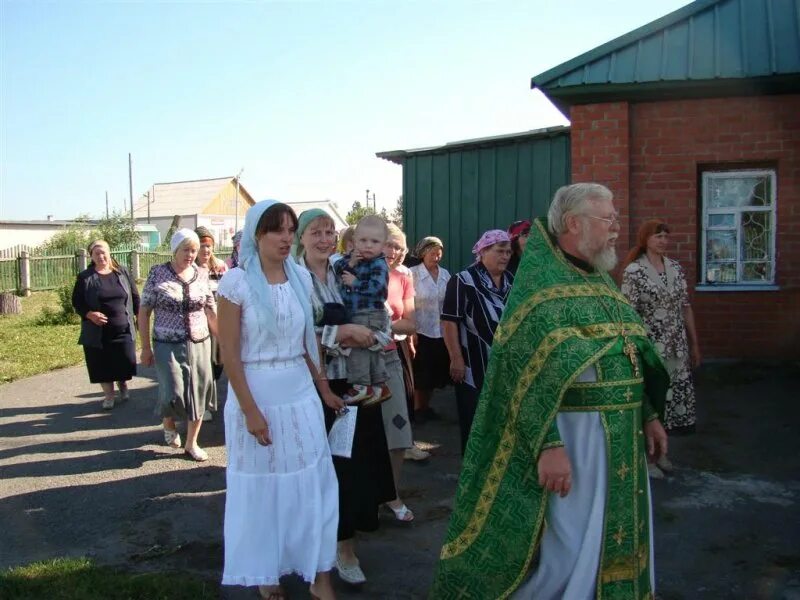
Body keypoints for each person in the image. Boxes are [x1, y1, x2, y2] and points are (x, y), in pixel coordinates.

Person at [430, 183, 670, 599]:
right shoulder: (540, 291)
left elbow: (627, 352)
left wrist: (648, 414)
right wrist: (547, 444)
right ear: (574, 223)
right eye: (607, 219)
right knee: (575, 541)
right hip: (577, 440)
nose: (616, 228)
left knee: (618, 534)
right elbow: (518, 375)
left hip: (623, 436)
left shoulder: (600, 280)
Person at [218, 201, 340, 600]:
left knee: (314, 483)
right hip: (255, 395)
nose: (287, 237)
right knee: (265, 489)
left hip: (300, 396)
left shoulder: (301, 278)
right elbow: (229, 354)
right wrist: (251, 411)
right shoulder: (235, 283)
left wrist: (323, 389)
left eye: (290, 229)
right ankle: (265, 571)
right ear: (257, 235)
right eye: (277, 230)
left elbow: (307, 344)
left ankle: (319, 573)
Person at [293, 208, 396, 586]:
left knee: (353, 469)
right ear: (301, 237)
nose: (324, 239)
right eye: (316, 232)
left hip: (356, 385)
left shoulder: (344, 269)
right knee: (323, 470)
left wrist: (375, 337)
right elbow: (297, 336)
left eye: (329, 232)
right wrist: (344, 334)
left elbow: (378, 313)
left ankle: (345, 549)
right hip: (318, 387)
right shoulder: (294, 280)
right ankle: (314, 546)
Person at [622, 219, 701, 478]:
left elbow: (685, 306)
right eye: (659, 236)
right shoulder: (635, 271)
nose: (664, 241)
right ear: (646, 239)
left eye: (667, 236)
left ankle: (662, 452)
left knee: (670, 398)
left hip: (676, 344)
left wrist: (694, 343)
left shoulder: (675, 268)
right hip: (650, 345)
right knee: (653, 397)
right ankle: (647, 457)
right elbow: (628, 312)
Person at [138, 229, 217, 462]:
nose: (191, 255)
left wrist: (223, 341)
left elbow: (211, 311)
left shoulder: (202, 274)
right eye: (186, 250)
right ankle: (168, 420)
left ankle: (192, 443)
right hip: (167, 343)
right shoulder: (158, 273)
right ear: (174, 250)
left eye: (194, 250)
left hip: (200, 342)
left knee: (199, 391)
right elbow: (144, 312)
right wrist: (145, 347)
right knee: (172, 390)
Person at [441, 230, 514, 454]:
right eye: (499, 251)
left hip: (505, 366)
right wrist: (456, 358)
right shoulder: (463, 280)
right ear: (482, 252)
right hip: (474, 365)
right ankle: (472, 475)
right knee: (475, 423)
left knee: (502, 422)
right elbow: (449, 322)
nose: (505, 256)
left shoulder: (512, 281)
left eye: (508, 252)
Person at [382, 223, 426, 518]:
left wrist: (377, 327)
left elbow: (410, 323)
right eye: (389, 244)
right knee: (365, 437)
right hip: (355, 362)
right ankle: (365, 494)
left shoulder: (404, 276)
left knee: (398, 434)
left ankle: (392, 494)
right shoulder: (352, 271)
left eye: (399, 246)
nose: (394, 252)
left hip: (389, 358)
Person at [71, 240, 139, 411]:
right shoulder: (86, 277)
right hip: (98, 332)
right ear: (91, 256)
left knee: (124, 361)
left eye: (104, 252)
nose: (101, 256)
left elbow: (134, 295)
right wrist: (89, 314)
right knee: (101, 364)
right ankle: (109, 395)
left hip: (123, 328)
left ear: (109, 253)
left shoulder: (121, 272)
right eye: (97, 253)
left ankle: (122, 383)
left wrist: (140, 316)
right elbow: (77, 302)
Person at [333, 215, 393, 405]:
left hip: (367, 313)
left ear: (383, 245)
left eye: (374, 241)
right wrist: (350, 263)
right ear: (354, 242)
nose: (368, 245)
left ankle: (360, 385)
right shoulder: (355, 259)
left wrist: (355, 282)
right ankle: (378, 385)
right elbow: (336, 267)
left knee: (358, 349)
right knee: (371, 350)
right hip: (361, 313)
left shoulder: (379, 264)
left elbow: (378, 290)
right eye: (363, 240)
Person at [409, 236, 451, 421]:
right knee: (421, 372)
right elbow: (407, 301)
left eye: (439, 253)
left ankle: (426, 407)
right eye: (432, 253)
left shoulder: (445, 275)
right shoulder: (413, 274)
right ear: (423, 253)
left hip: (440, 331)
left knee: (434, 372)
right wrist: (412, 331)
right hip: (421, 330)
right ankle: (418, 409)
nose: (436, 256)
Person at [195, 225, 228, 408]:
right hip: (198, 324)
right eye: (201, 245)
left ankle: (209, 395)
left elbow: (228, 294)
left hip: (219, 322)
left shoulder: (221, 267)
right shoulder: (189, 268)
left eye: (208, 245)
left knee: (217, 364)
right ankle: (203, 403)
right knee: (201, 365)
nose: (206, 250)